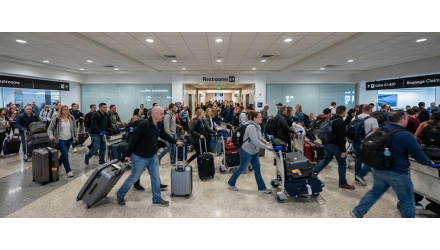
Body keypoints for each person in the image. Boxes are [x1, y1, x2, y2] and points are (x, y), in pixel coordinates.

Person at [351, 111, 434, 218]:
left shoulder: (381, 130)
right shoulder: (406, 135)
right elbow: (418, 154)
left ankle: (358, 211)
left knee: (375, 192)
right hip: (398, 172)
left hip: (379, 169)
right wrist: (428, 162)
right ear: (402, 120)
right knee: (407, 201)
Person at [116, 107, 183, 207]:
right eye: (161, 114)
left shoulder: (159, 124)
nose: (163, 115)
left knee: (155, 177)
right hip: (140, 157)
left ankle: (156, 199)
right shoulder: (144, 124)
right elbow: (133, 139)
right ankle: (120, 195)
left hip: (152, 156)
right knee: (134, 177)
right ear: (154, 114)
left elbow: (164, 135)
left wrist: (175, 141)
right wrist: (128, 154)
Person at [228, 111, 273, 193]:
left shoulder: (256, 126)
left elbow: (259, 137)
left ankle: (261, 187)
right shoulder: (251, 127)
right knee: (242, 168)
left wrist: (265, 142)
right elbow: (255, 141)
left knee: (257, 168)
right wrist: (266, 147)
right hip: (246, 151)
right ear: (255, 118)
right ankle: (231, 183)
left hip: (254, 151)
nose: (262, 118)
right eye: (260, 117)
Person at [313, 106, 355, 190]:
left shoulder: (330, 119)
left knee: (326, 159)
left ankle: (313, 173)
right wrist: (343, 151)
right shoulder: (341, 122)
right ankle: (343, 183)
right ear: (343, 113)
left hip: (326, 143)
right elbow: (341, 138)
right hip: (335, 146)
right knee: (342, 163)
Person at [351, 104, 379, 185]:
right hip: (367, 143)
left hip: (356, 141)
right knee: (371, 160)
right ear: (370, 110)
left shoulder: (355, 117)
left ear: (362, 109)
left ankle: (357, 178)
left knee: (358, 159)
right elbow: (374, 133)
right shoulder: (373, 120)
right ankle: (361, 175)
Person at [47, 105, 79, 177]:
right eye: (64, 109)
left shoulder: (71, 117)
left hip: (69, 139)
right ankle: (68, 171)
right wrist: (51, 136)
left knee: (64, 154)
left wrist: (76, 136)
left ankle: (58, 163)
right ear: (61, 111)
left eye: (67, 109)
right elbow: (50, 129)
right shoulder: (56, 119)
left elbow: (75, 128)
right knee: (65, 154)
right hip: (60, 140)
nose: (66, 111)